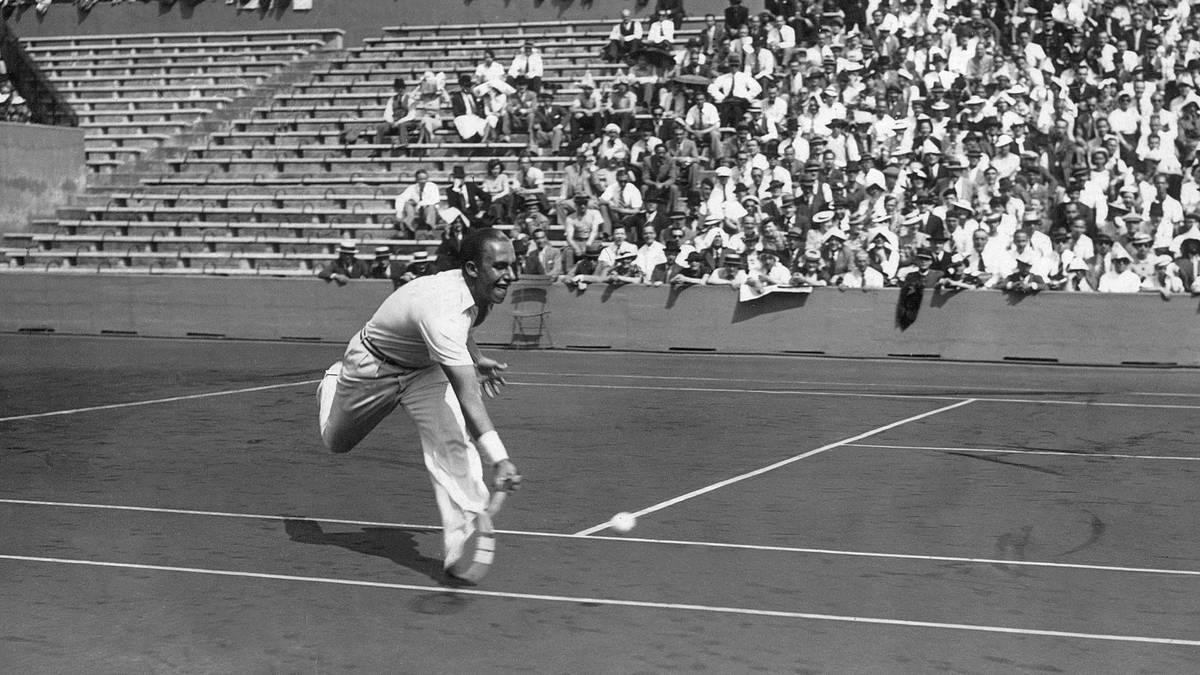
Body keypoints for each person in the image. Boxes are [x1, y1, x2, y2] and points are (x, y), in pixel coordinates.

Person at [316, 228, 522, 583]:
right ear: (472, 269)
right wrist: (500, 458)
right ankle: (333, 380)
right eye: (500, 266)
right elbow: (468, 395)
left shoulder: (480, 294)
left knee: (453, 443)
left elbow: (464, 325)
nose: (511, 275)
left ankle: (460, 542)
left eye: (513, 265)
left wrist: (475, 356)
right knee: (337, 442)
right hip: (372, 368)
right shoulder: (442, 311)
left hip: (424, 371)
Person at [394, 170, 442, 238]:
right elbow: (400, 198)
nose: (423, 181)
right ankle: (409, 225)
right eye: (420, 179)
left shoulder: (433, 187)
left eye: (425, 179)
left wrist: (420, 204)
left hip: (431, 212)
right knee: (407, 204)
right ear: (416, 179)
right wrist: (399, 212)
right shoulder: (412, 188)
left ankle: (429, 229)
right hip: (418, 212)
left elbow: (435, 200)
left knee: (430, 206)